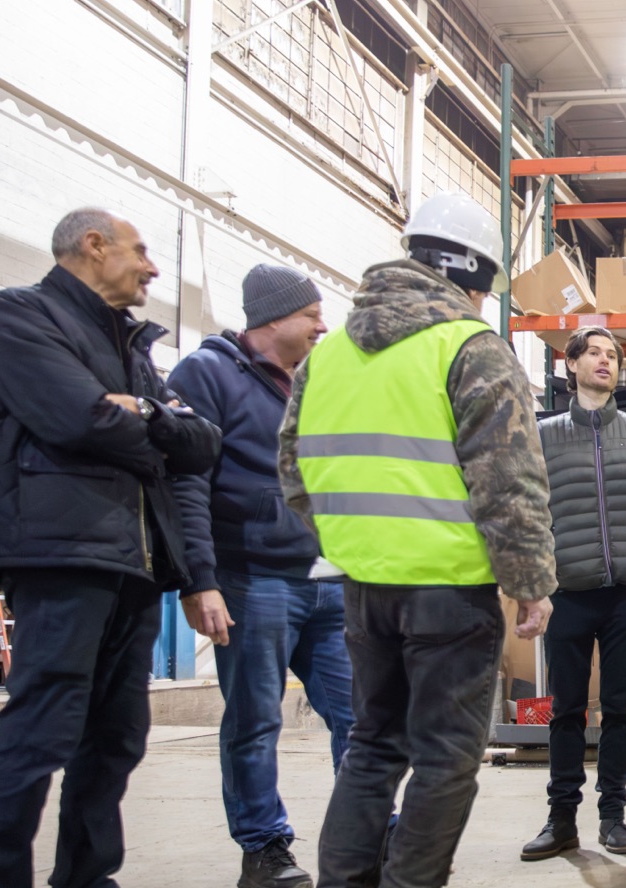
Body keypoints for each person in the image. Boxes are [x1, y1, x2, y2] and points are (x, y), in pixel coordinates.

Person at [278, 191, 556, 888]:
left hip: (362, 587)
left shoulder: (327, 356)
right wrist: (530, 582)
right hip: (449, 593)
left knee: (372, 747)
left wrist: (357, 541)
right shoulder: (471, 347)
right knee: (444, 758)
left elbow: (293, 468)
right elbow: (510, 480)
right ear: (475, 277)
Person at [0, 208, 221, 888]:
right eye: (141, 251)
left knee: (115, 740)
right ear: (94, 245)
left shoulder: (130, 348)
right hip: (57, 558)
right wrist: (143, 418)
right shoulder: (18, 317)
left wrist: (143, 411)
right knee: (40, 731)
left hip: (132, 563)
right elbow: (78, 418)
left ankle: (86, 877)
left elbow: (202, 445)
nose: (153, 268)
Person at [169, 264, 353, 888]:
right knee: (255, 720)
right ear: (274, 319)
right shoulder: (207, 373)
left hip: (329, 581)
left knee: (365, 714)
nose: (323, 326)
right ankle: (264, 849)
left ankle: (368, 831)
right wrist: (199, 579)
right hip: (252, 580)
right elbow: (185, 482)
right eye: (312, 315)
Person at [521, 327, 626, 861]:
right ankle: (561, 819)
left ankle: (613, 817)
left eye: (613, 355)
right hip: (566, 592)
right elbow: (524, 512)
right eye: (594, 353)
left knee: (619, 709)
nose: (605, 361)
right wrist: (542, 570)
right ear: (570, 364)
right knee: (566, 710)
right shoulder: (542, 435)